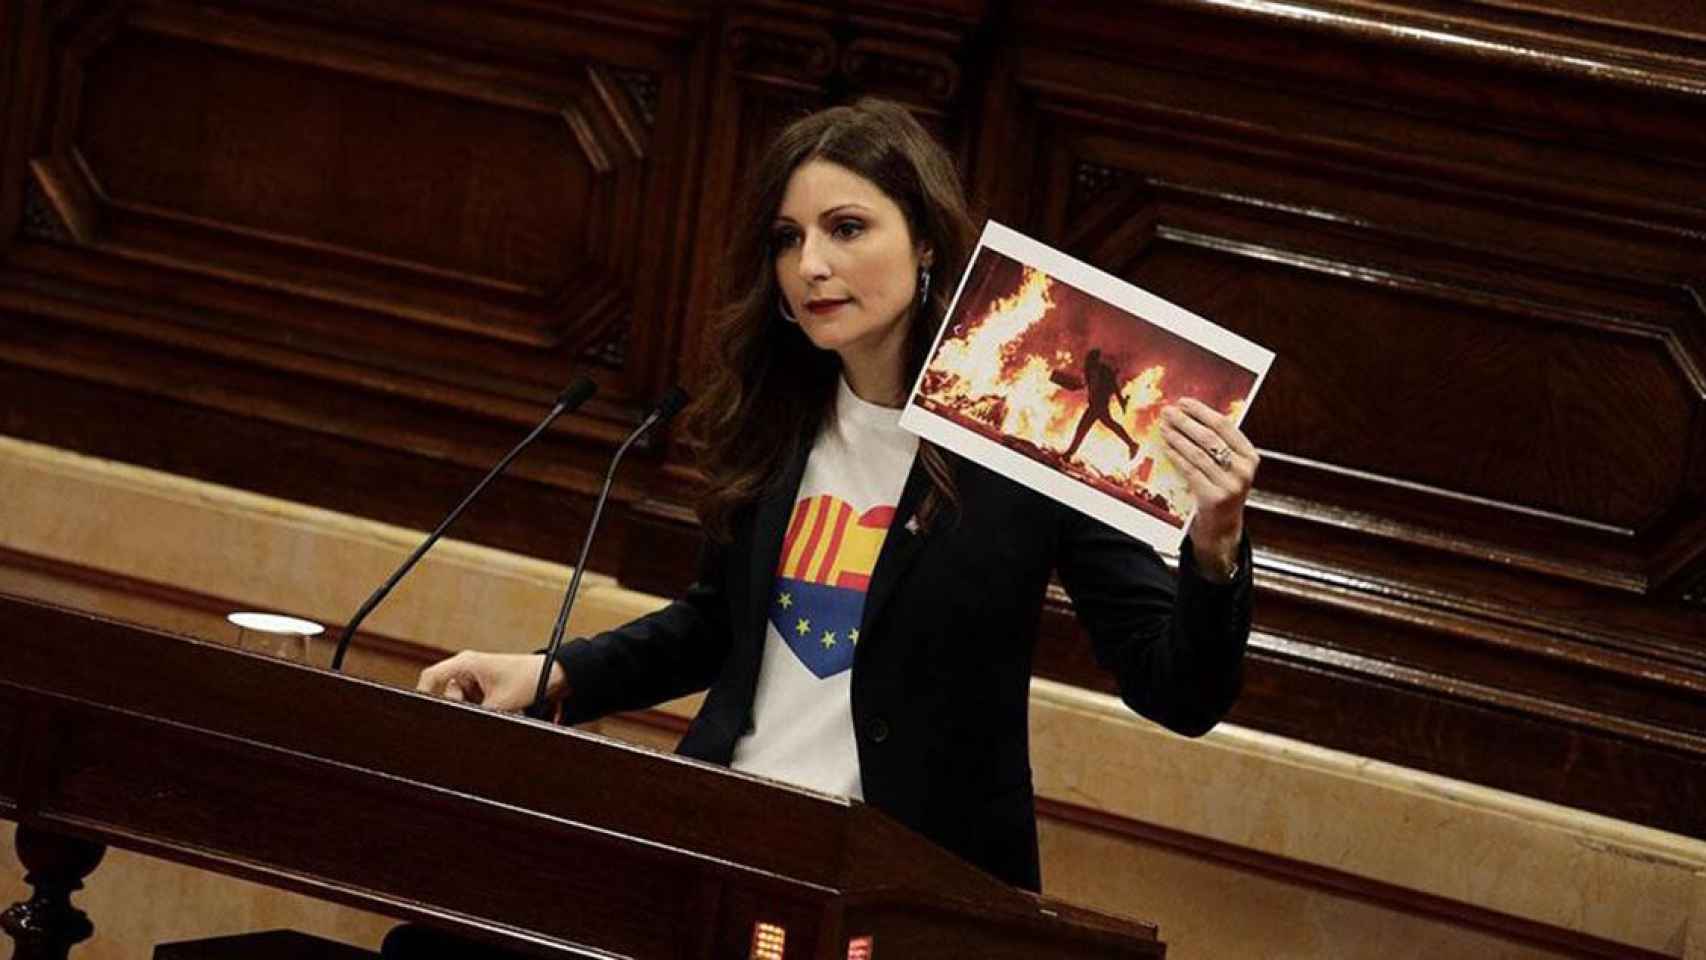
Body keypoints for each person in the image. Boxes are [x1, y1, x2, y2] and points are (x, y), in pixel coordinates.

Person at [415, 98, 1257, 893]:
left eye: (846, 229)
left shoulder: (1020, 445)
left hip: (912, 889)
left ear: (925, 241)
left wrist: (1214, 554)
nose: (810, 265)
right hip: (730, 844)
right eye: (787, 239)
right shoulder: (779, 419)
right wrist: (552, 671)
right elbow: (719, 626)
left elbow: (1177, 689)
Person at [1061, 347, 1140, 461]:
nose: (1089, 361)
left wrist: (1121, 401)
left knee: (1083, 428)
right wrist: (1069, 385)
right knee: (1108, 424)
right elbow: (1085, 386)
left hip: (1100, 404)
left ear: (1095, 359)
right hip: (1094, 403)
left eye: (1092, 358)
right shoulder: (1089, 370)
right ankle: (1132, 444)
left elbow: (1113, 386)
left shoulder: (1103, 370)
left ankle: (1068, 454)